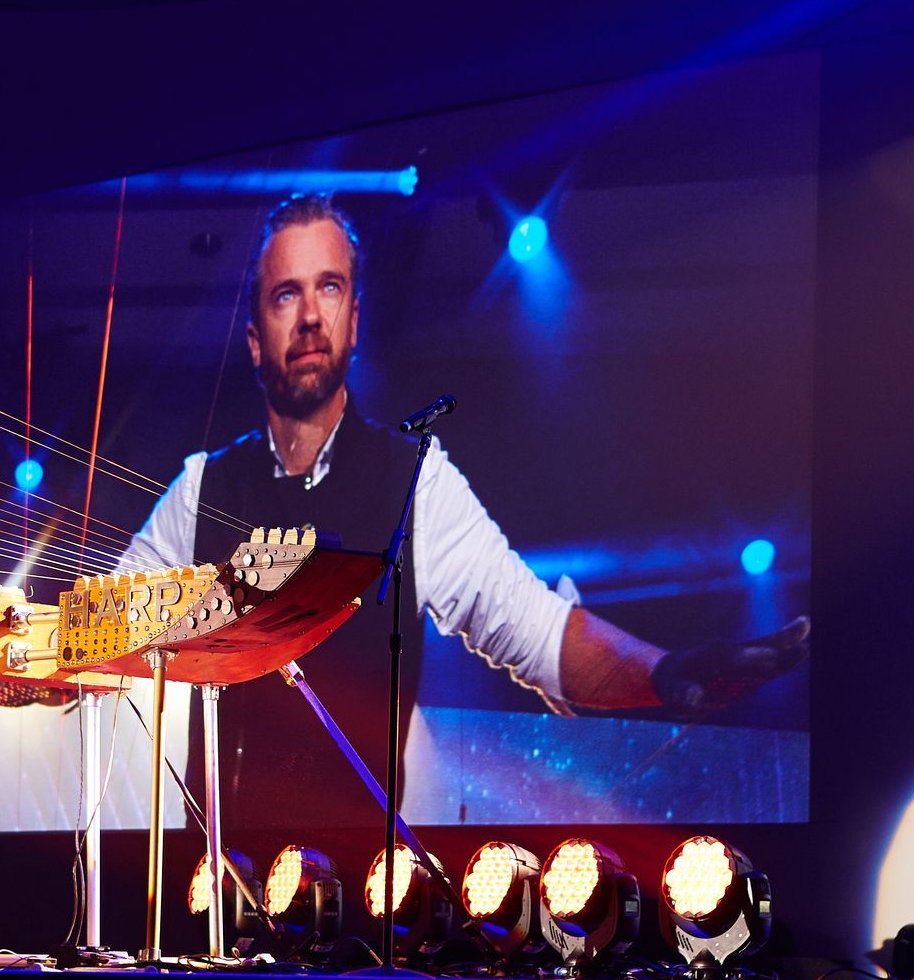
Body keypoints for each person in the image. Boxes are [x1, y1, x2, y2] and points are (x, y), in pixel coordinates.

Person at [119, 194, 809, 827]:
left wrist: (664, 671)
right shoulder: (200, 489)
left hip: (363, 906)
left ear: (354, 319)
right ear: (253, 338)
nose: (308, 315)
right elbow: (104, 632)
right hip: (213, 894)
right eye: (284, 294)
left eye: (329, 287)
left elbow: (537, 631)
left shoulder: (416, 479)